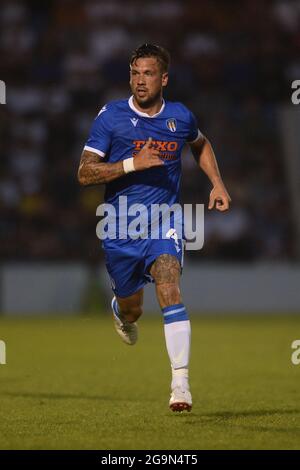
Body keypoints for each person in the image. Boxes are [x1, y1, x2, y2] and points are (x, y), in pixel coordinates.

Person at [78, 44, 231, 412]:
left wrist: (218, 183)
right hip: (119, 226)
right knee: (134, 310)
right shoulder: (111, 117)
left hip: (165, 220)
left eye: (147, 73)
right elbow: (84, 173)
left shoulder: (180, 117)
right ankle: (121, 309)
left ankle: (180, 384)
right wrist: (132, 164)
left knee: (168, 281)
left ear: (164, 78)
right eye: (134, 73)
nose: (139, 80)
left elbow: (201, 143)